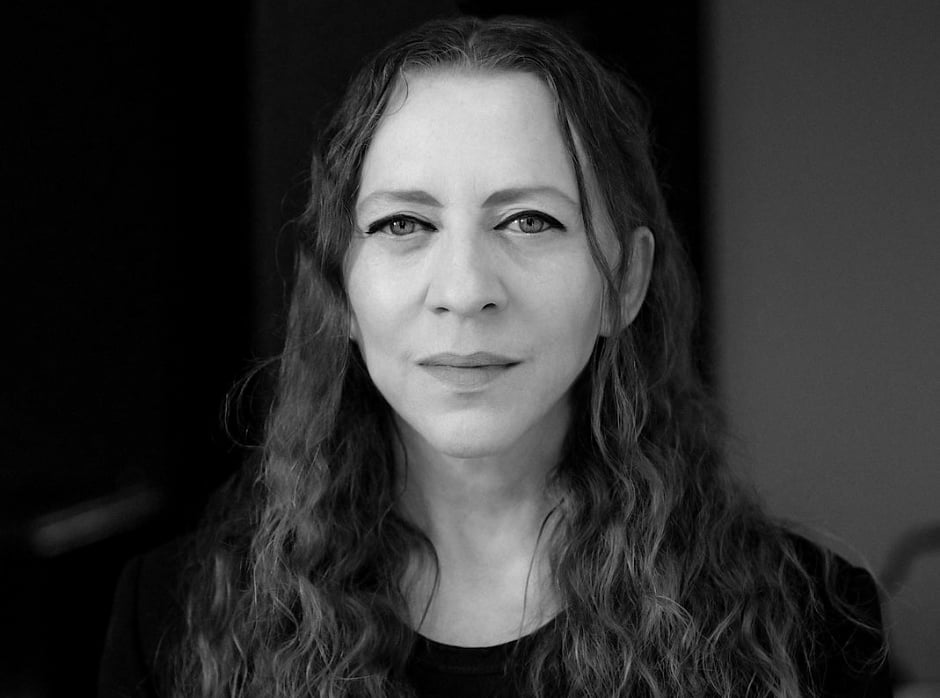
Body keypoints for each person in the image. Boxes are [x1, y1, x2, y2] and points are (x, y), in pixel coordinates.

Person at [99, 14, 891, 698]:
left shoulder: (814, 623)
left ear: (625, 282)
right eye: (404, 225)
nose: (465, 290)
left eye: (529, 222)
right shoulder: (172, 618)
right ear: (337, 286)